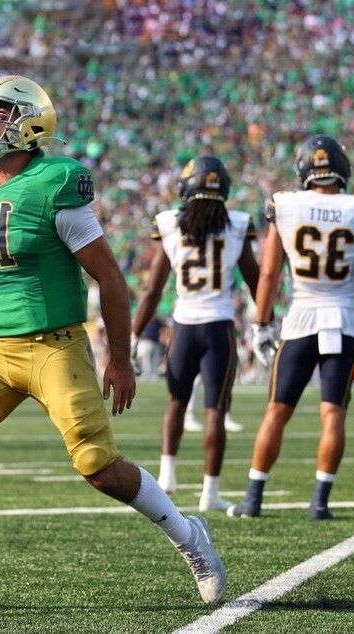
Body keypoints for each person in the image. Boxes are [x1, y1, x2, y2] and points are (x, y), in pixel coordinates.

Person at [0, 75, 225, 614]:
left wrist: (120, 359)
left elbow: (111, 278)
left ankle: (190, 538)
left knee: (100, 469)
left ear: (31, 122)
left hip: (55, 346)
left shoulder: (58, 180)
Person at [229, 134, 354, 520]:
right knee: (333, 415)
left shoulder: (286, 204)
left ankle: (253, 499)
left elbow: (268, 275)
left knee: (276, 412)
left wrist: (261, 324)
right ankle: (319, 502)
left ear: (304, 169)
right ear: (341, 168)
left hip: (299, 321)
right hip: (342, 320)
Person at [131, 156, 260, 512]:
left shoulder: (171, 223)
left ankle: (167, 477)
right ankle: (210, 493)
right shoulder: (236, 224)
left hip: (185, 327)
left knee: (176, 403)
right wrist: (264, 323)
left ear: (187, 187)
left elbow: (153, 290)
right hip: (218, 327)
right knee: (215, 411)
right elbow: (256, 281)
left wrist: (133, 334)